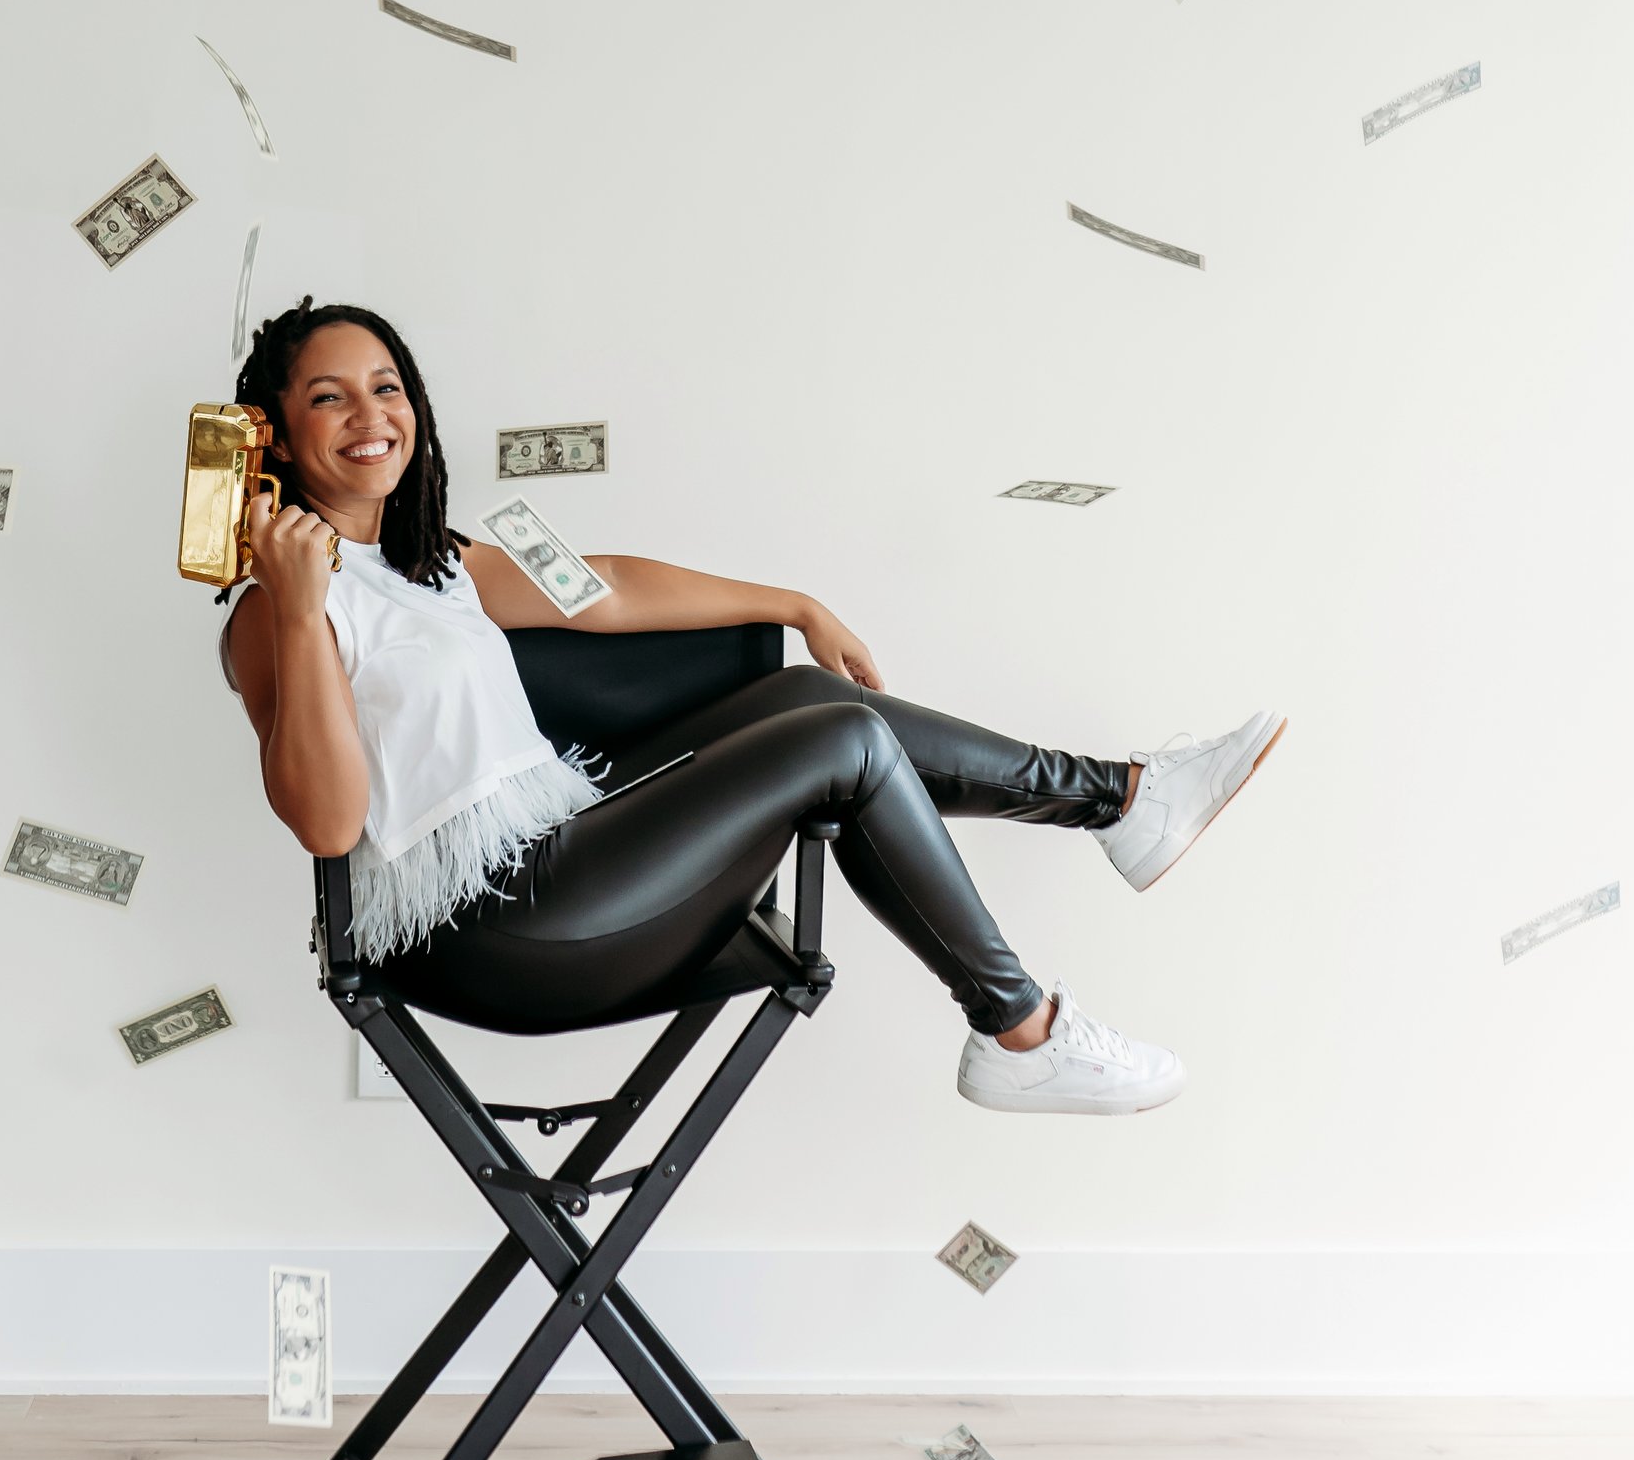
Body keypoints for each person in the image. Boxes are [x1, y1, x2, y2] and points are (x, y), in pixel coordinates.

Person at [218, 299, 1284, 1116]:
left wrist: (794, 602)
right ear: (270, 432)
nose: (372, 416)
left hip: (562, 852)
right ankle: (1020, 1029)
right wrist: (303, 609)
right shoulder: (273, 614)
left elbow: (603, 587)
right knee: (843, 741)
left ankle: (1119, 802)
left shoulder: (431, 561)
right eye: (329, 397)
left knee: (805, 694)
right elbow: (324, 823)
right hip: (492, 929)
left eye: (387, 386)